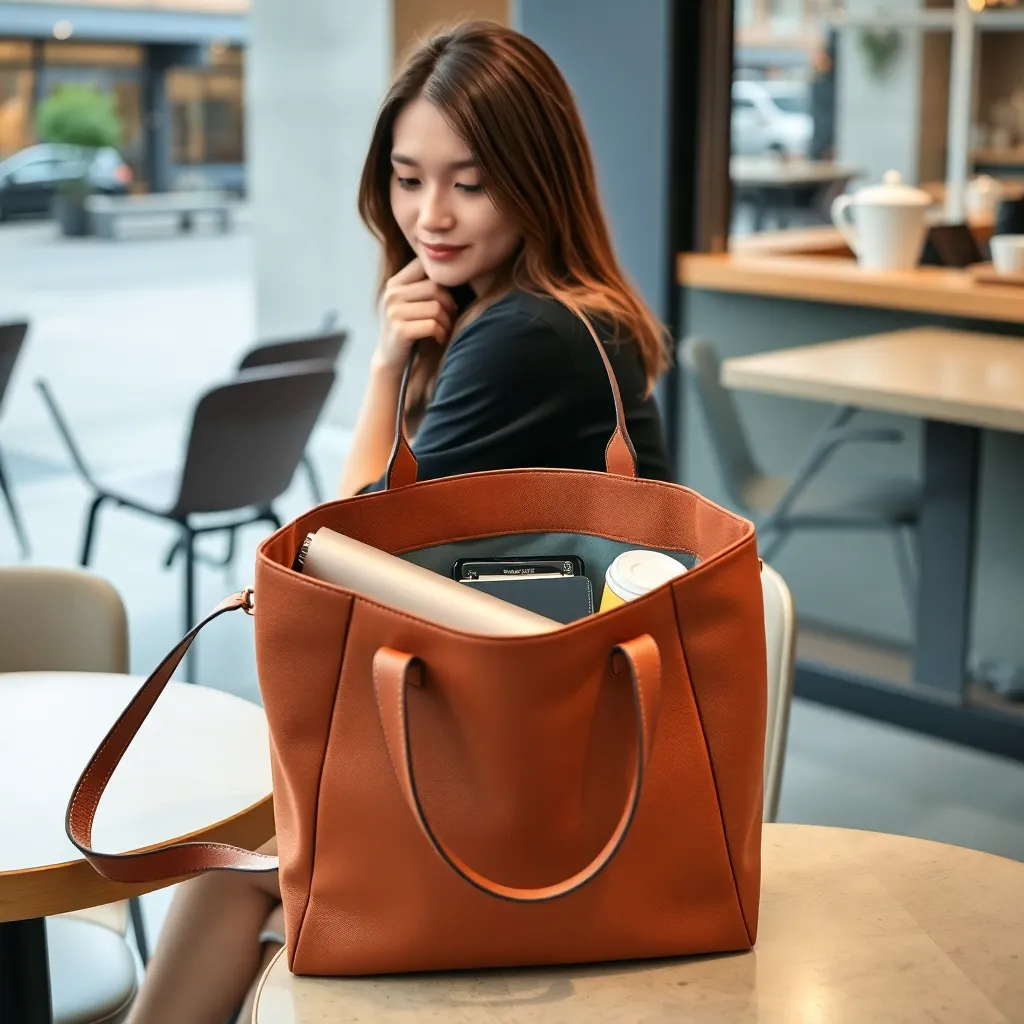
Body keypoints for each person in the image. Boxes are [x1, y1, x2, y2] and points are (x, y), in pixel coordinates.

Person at [125, 20, 671, 1024]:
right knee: (249, 860)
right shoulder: (567, 309)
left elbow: (335, 553)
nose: (430, 215)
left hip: (543, 789)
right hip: (576, 745)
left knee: (228, 867)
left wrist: (384, 369)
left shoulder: (522, 336)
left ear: (536, 178)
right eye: (408, 178)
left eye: (471, 183)